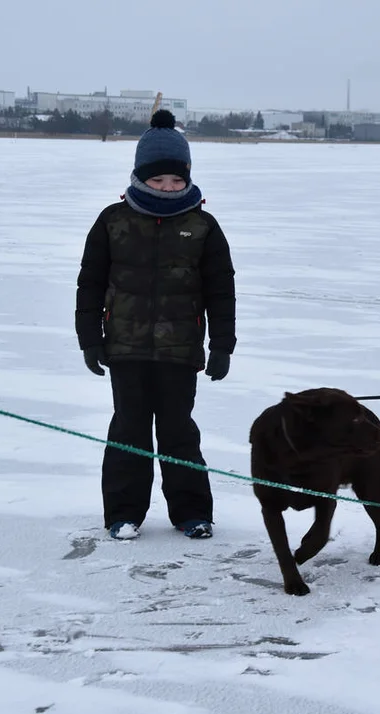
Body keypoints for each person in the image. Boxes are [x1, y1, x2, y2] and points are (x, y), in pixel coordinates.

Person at [75, 109, 236, 541]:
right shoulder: (113, 221)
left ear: (187, 179)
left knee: (178, 431)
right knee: (128, 431)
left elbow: (221, 290)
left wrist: (223, 344)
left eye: (176, 180)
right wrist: (89, 339)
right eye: (157, 180)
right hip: (124, 349)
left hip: (180, 351)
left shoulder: (203, 226)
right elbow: (89, 283)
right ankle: (124, 514)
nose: (167, 187)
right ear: (139, 178)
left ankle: (192, 513)